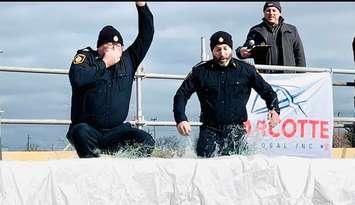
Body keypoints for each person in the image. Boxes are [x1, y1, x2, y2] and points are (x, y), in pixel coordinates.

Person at [66, 1, 155, 158]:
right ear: (99, 48)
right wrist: (105, 62)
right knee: (79, 132)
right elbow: (77, 78)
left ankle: (124, 173)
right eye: (109, 45)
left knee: (146, 141)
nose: (115, 48)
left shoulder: (129, 60)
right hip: (89, 130)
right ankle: (94, 173)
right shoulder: (87, 58)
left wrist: (142, 6)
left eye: (118, 45)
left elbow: (146, 34)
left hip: (116, 131)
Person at [173, 31, 281, 158]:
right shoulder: (200, 71)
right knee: (205, 170)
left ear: (231, 49)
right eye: (218, 49)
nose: (222, 53)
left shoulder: (247, 70)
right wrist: (181, 119)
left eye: (225, 49)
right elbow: (181, 95)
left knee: (237, 172)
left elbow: (268, 91)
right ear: (212, 51)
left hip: (236, 131)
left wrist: (274, 109)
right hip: (209, 131)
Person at [236, 1, 306, 73]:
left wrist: (301, 75)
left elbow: (299, 55)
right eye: (268, 10)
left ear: (279, 13)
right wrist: (240, 51)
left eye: (274, 10)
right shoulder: (256, 31)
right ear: (264, 13)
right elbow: (246, 49)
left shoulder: (291, 30)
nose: (271, 13)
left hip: (288, 77)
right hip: (266, 77)